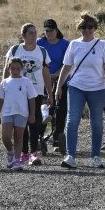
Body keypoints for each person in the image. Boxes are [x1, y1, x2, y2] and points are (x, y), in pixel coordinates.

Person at [55, 13, 105, 169]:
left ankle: (95, 156)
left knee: (96, 122)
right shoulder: (74, 45)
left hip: (97, 88)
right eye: (83, 27)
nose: (87, 30)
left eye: (90, 27)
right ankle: (70, 156)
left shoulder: (102, 45)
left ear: (95, 28)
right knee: (72, 120)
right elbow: (67, 67)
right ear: (79, 28)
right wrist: (58, 87)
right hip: (76, 87)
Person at [5, 23, 53, 166]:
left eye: (35, 32)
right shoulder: (15, 50)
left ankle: (34, 153)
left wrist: (50, 93)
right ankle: (24, 152)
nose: (34, 35)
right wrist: (5, 87)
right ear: (23, 35)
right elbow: (6, 70)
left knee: (35, 121)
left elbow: (46, 73)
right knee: (21, 123)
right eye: (31, 33)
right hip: (17, 92)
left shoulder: (42, 51)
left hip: (36, 92)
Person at [0, 57, 37, 170]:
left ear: (21, 69)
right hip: (7, 113)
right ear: (9, 69)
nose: (15, 71)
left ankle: (17, 161)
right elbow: (0, 99)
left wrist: (32, 114)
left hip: (22, 113)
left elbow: (31, 99)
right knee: (6, 137)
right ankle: (10, 151)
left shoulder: (26, 81)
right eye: (13, 68)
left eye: (18, 68)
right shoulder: (5, 82)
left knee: (19, 137)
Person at [37, 19, 69, 154]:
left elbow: (67, 62)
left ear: (56, 30)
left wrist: (56, 74)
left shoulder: (64, 44)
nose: (49, 33)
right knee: (45, 110)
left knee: (60, 110)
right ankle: (39, 137)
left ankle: (57, 137)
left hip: (61, 80)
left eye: (51, 30)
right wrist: (46, 75)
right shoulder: (40, 43)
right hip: (43, 81)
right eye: (47, 31)